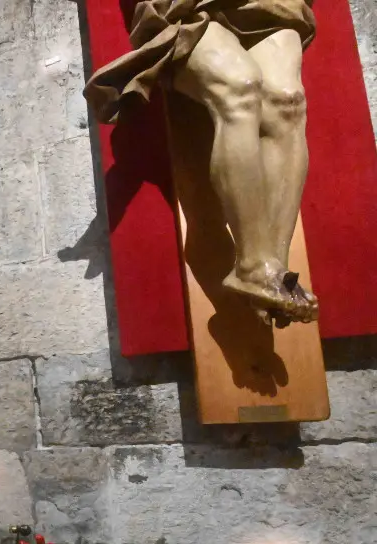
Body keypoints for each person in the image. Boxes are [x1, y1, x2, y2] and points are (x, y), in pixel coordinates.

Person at [84, 1, 317, 325]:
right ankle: (254, 266)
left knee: (288, 102)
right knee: (239, 86)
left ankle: (274, 273)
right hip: (184, 7)